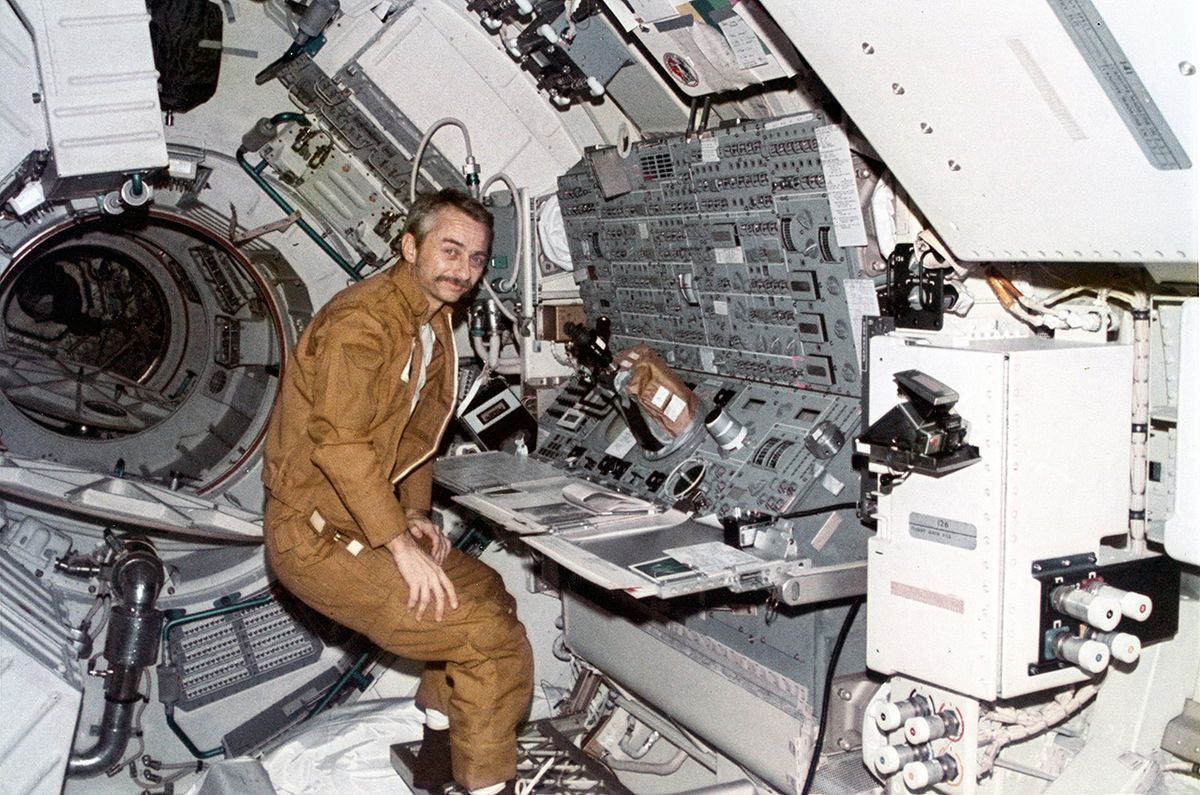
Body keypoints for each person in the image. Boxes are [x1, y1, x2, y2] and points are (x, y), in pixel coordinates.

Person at [261, 189, 533, 795]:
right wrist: (399, 546)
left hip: (360, 520)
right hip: (313, 537)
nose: (464, 270)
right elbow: (340, 447)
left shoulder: (430, 320)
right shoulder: (365, 323)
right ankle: (490, 787)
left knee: (486, 589)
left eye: (478, 258)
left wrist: (414, 513)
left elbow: (417, 431)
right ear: (410, 246)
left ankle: (438, 756)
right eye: (450, 250)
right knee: (486, 640)